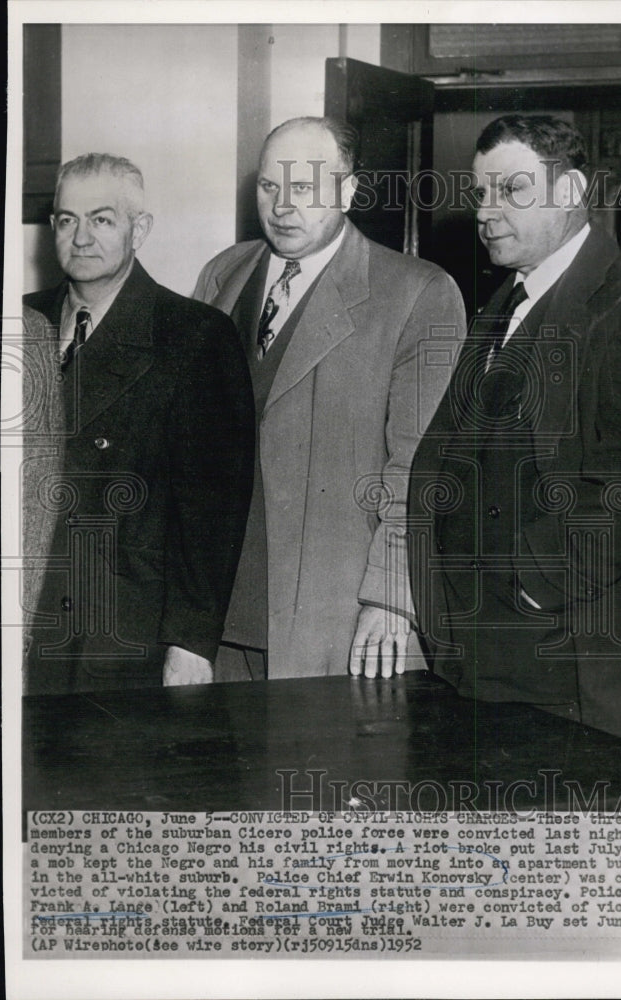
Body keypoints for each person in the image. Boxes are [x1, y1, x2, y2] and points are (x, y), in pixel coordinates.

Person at [408, 115, 621, 756]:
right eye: (481, 193)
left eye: (512, 191)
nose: (487, 212)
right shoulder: (504, 303)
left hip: (575, 659)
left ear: (571, 190)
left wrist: (529, 584)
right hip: (482, 659)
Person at [194, 116, 466, 681]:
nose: (283, 207)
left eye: (305, 189)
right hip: (215, 616)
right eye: (270, 187)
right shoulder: (224, 273)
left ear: (348, 191)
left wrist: (391, 593)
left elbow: (419, 466)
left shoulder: (418, 292)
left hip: (337, 619)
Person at [23, 153, 254, 694]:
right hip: (27, 616)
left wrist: (192, 643)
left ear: (139, 229)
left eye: (102, 220)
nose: (81, 237)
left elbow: (213, 510)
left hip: (122, 635)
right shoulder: (22, 322)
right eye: (66, 220)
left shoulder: (194, 337)